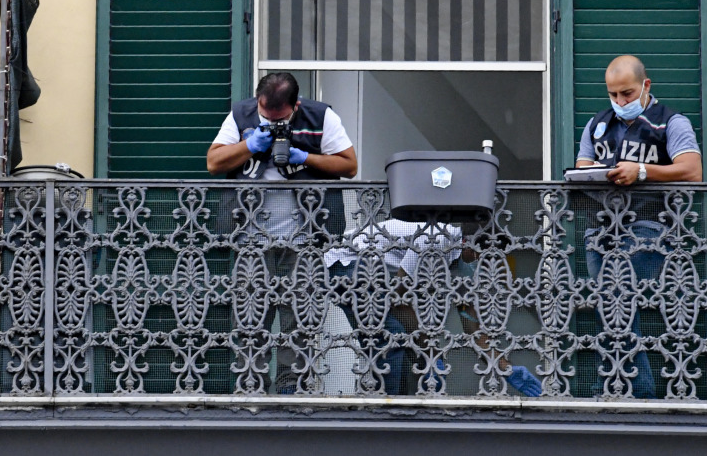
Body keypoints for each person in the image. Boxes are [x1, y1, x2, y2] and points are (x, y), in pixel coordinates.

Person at [207, 72, 357, 394]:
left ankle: (291, 391)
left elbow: (349, 165)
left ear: (296, 106)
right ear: (258, 100)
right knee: (249, 321)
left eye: (279, 118)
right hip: (250, 242)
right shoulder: (240, 114)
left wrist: (305, 157)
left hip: (305, 241)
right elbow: (214, 162)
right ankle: (251, 388)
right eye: (264, 113)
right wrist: (249, 144)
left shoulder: (321, 116)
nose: (270, 121)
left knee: (299, 323)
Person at [575, 55, 703, 398]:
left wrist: (642, 171)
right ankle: (624, 380)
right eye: (613, 95)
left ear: (646, 86)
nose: (620, 102)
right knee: (610, 306)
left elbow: (691, 170)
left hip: (649, 226)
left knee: (620, 299)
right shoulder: (595, 125)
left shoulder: (671, 122)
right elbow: (582, 170)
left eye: (627, 94)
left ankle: (635, 386)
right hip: (599, 230)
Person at [324, 219, 542, 397]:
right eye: (484, 258)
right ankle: (380, 408)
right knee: (392, 336)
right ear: (469, 245)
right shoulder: (437, 240)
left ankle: (394, 401)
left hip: (376, 272)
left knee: (403, 340)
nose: (485, 265)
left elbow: (472, 327)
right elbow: (400, 299)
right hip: (347, 261)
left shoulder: (464, 266)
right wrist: (430, 348)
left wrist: (506, 367)